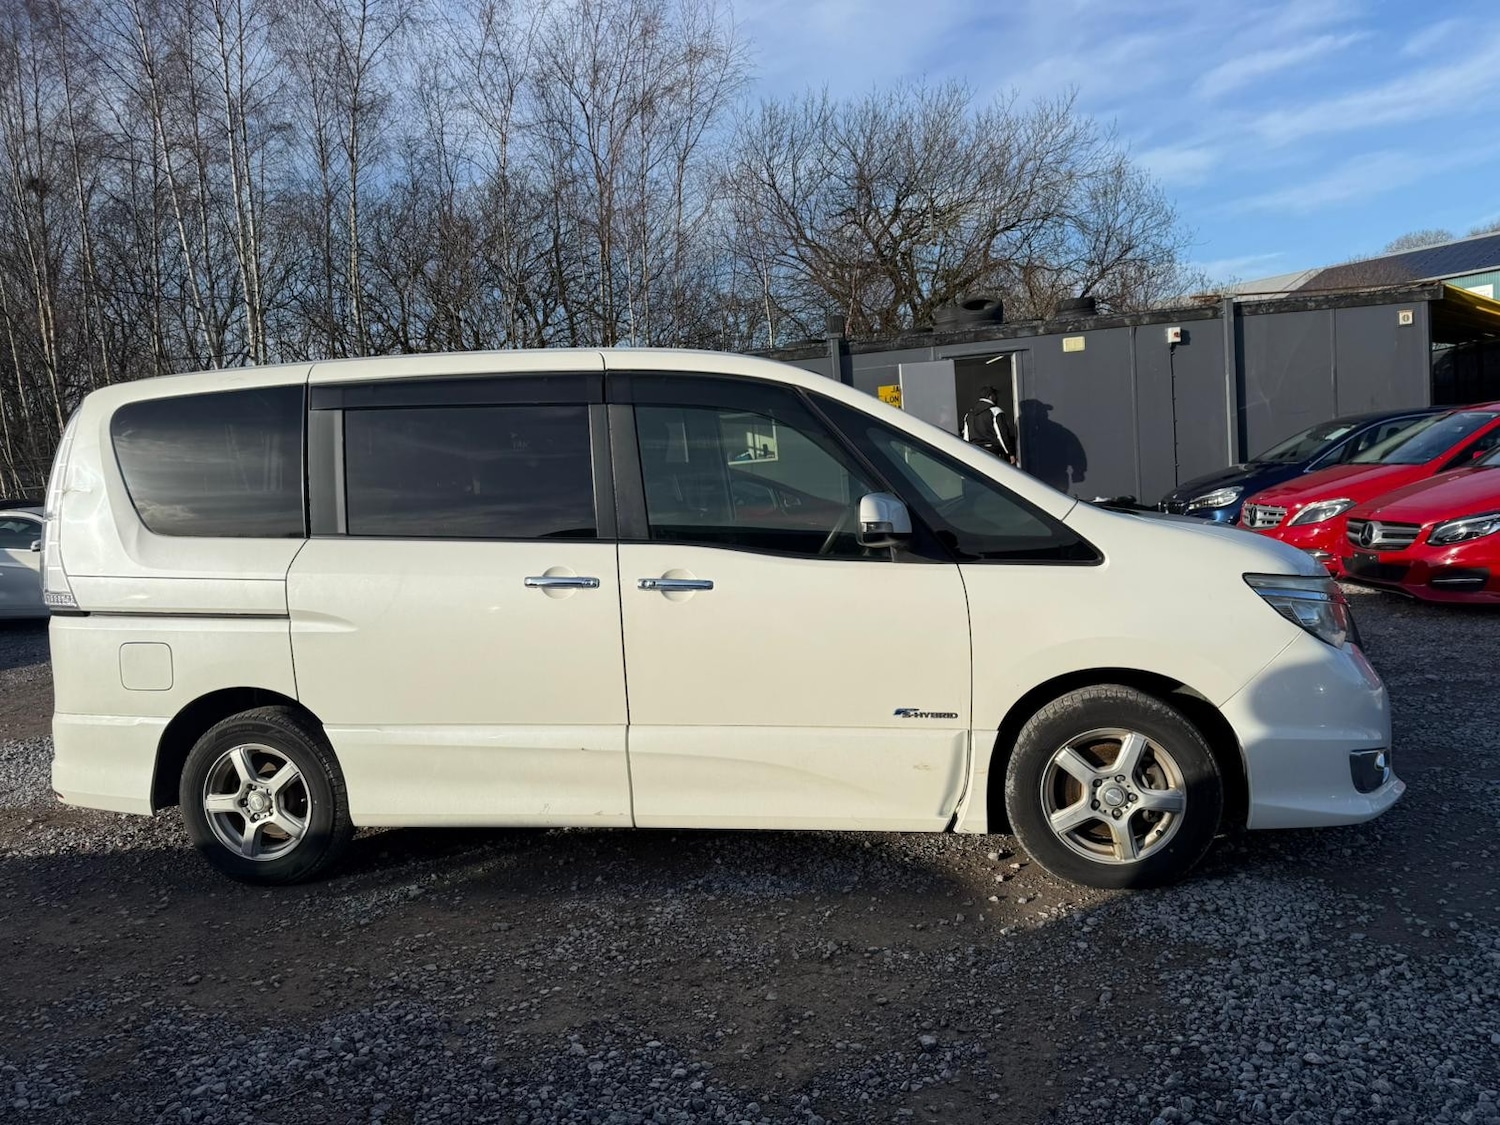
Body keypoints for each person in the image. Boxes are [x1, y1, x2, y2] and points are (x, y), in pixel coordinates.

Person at [962, 385, 1018, 464]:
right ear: (990, 396)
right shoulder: (995, 411)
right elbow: (1002, 435)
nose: (997, 398)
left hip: (975, 454)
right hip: (993, 453)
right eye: (995, 395)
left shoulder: (969, 415)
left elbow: (966, 438)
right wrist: (1010, 453)